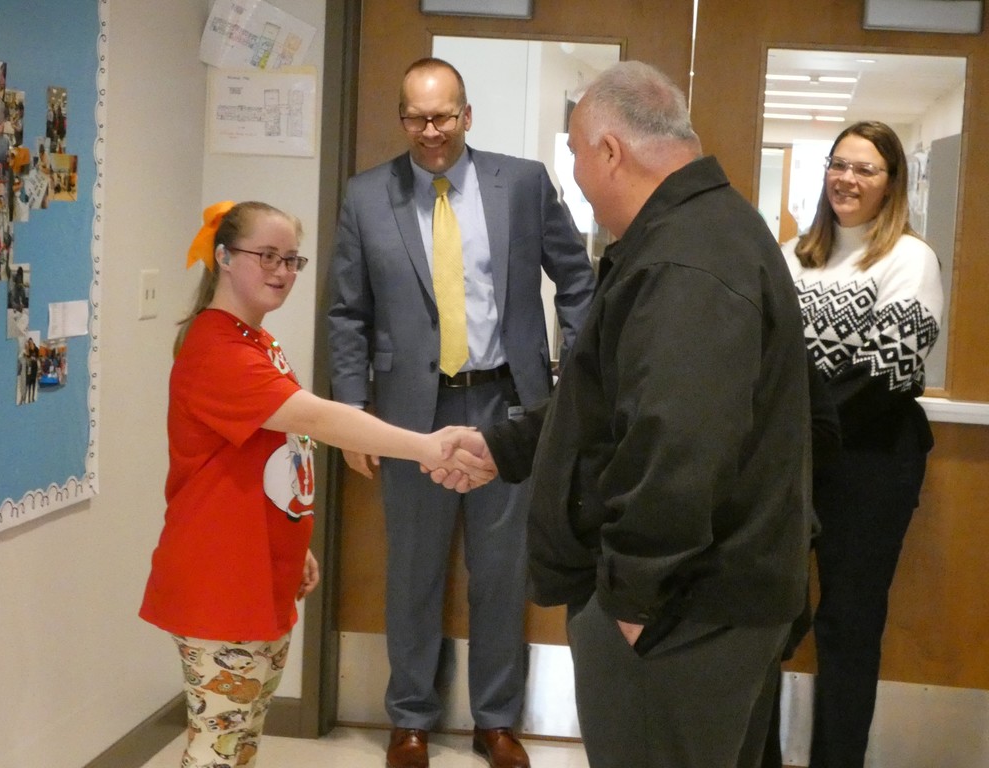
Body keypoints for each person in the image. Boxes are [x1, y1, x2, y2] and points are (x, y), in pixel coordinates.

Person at [437, 60, 814, 768]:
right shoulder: (710, 231)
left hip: (680, 614)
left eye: (576, 154)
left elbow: (675, 441)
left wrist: (636, 604)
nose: (575, 175)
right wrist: (504, 447)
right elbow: (612, 402)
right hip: (707, 603)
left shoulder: (687, 260)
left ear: (610, 150)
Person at [139, 201, 490, 768]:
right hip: (218, 577)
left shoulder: (258, 341)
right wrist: (426, 446)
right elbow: (318, 420)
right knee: (219, 748)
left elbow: (278, 454)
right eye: (267, 256)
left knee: (239, 739)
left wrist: (293, 544)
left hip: (256, 570)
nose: (281, 271)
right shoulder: (217, 348)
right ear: (224, 257)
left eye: (291, 260)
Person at [327, 57, 595, 768]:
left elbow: (576, 279)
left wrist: (577, 376)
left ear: (467, 115)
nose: (431, 131)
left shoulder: (524, 184)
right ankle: (411, 718)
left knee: (501, 572)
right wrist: (353, 410)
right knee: (412, 568)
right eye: (416, 117)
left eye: (444, 116)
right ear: (402, 120)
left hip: (506, 404)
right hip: (411, 414)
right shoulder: (365, 197)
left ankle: (496, 720)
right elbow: (347, 313)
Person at [781, 120, 943, 768]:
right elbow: (767, 354)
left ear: (891, 183)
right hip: (794, 465)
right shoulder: (793, 256)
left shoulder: (910, 257)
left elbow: (887, 373)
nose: (847, 178)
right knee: (771, 620)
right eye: (838, 164)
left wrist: (792, 419)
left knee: (847, 627)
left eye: (865, 169)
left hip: (870, 467)